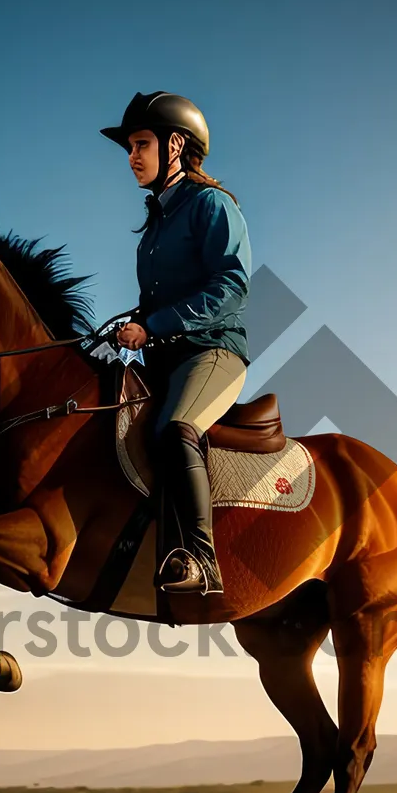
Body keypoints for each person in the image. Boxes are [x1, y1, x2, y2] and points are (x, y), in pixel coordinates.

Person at [101, 91, 252, 594]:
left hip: (213, 353)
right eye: (129, 147)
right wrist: (133, 322)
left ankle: (202, 562)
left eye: (141, 143)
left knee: (174, 428)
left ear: (174, 145)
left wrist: (155, 324)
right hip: (163, 357)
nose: (131, 156)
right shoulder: (154, 224)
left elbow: (231, 287)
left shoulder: (212, 205)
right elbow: (157, 302)